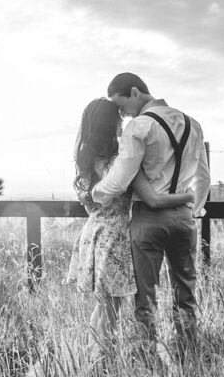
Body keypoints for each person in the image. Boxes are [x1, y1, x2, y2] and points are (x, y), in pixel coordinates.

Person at [90, 72, 210, 356]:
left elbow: (120, 178)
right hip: (184, 218)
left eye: (122, 106)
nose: (123, 114)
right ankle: (188, 354)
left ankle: (149, 357)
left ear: (135, 92)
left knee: (146, 297)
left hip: (148, 220)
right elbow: (203, 179)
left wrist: (96, 194)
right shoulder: (194, 124)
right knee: (186, 293)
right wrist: (194, 211)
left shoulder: (139, 127)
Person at [66, 98, 192, 345]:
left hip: (94, 233)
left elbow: (89, 204)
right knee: (110, 309)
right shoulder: (121, 162)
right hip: (115, 238)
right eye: (119, 121)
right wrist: (188, 195)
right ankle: (101, 361)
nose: (123, 126)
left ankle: (98, 357)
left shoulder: (88, 160)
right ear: (112, 125)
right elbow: (153, 199)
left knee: (104, 307)